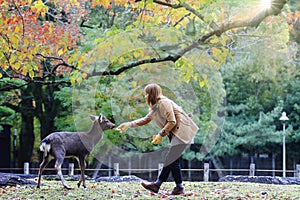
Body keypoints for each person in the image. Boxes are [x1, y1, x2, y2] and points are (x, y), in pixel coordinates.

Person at [116, 83, 199, 195]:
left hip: (182, 133)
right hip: (177, 134)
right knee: (171, 160)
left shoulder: (164, 103)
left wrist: (160, 134)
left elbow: (172, 121)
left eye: (146, 94)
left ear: (151, 94)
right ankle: (158, 185)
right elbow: (146, 119)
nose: (145, 97)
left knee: (172, 160)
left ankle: (176, 187)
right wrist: (129, 124)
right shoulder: (155, 107)